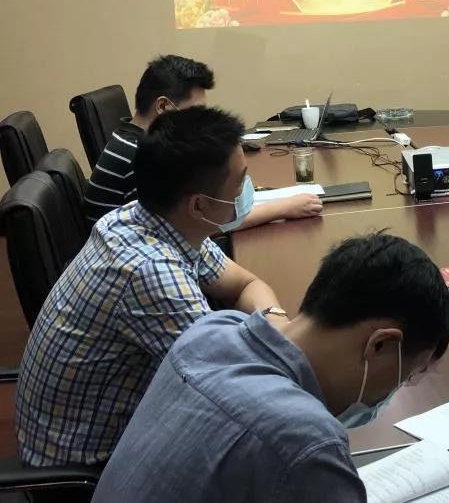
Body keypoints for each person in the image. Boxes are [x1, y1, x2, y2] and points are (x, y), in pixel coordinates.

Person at [91, 233, 449, 503]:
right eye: (407, 375)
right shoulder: (304, 440)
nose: (394, 392)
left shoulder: (211, 332)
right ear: (381, 344)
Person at [16, 107, 290, 468]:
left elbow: (245, 284)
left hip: (119, 427)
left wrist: (277, 323)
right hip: (89, 467)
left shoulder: (149, 217)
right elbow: (231, 392)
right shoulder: (149, 272)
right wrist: (288, 345)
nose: (246, 189)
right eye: (240, 181)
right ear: (199, 205)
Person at [84, 54, 321, 226]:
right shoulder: (143, 157)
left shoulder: (135, 140)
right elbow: (195, 226)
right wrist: (284, 208)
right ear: (164, 107)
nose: (200, 121)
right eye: (196, 112)